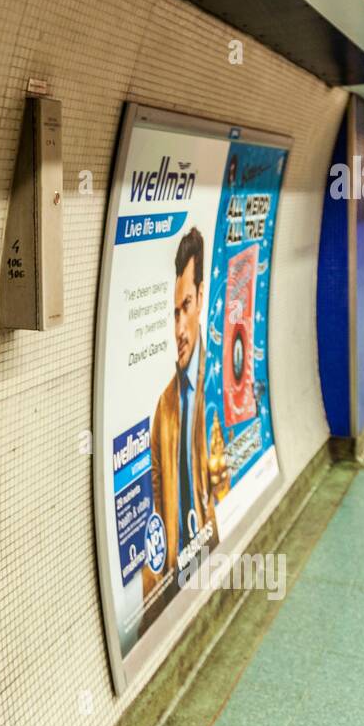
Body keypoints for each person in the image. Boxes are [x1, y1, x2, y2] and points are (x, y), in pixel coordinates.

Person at [140, 227, 229, 624]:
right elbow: (158, 505)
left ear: (202, 298)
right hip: (175, 574)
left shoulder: (218, 380)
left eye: (186, 307)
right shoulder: (164, 406)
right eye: (174, 313)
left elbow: (225, 483)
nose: (179, 329)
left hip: (212, 555)